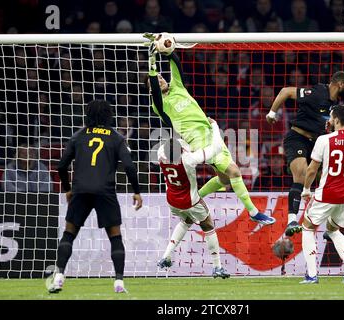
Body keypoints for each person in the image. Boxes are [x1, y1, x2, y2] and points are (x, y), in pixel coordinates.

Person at [145, 33, 275, 225]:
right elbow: (155, 87)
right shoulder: (159, 105)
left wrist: (169, 51)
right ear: (151, 88)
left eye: (163, 78)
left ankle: (195, 197)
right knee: (235, 172)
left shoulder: (177, 88)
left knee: (223, 180)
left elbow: (176, 67)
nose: (161, 80)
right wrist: (152, 60)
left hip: (212, 133)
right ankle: (254, 212)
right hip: (199, 141)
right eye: (156, 81)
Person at [49, 100, 143, 294]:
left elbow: (61, 166)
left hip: (80, 190)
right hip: (105, 191)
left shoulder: (78, 136)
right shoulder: (116, 137)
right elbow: (130, 166)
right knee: (115, 237)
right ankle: (118, 282)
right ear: (109, 115)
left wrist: (67, 189)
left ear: (88, 115)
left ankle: (58, 277)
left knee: (69, 234)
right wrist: (137, 191)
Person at [266, 71, 344, 236]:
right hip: (298, 138)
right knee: (301, 173)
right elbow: (286, 91)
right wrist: (272, 113)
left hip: (317, 143)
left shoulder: (337, 105)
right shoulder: (317, 93)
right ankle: (292, 220)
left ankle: (331, 226)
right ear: (340, 84)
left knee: (332, 178)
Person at [157, 118, 229, 279]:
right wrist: (214, 126)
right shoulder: (188, 160)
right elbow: (216, 147)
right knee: (208, 224)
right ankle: (218, 267)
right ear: (181, 151)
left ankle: (166, 256)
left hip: (172, 200)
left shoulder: (160, 153)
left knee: (187, 221)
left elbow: (176, 143)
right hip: (189, 200)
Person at [299, 104, 344, 284]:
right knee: (333, 229)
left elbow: (311, 170)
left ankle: (311, 275)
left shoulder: (324, 140)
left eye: (331, 117)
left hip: (327, 193)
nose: (329, 120)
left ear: (338, 120)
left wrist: (306, 189)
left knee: (307, 227)